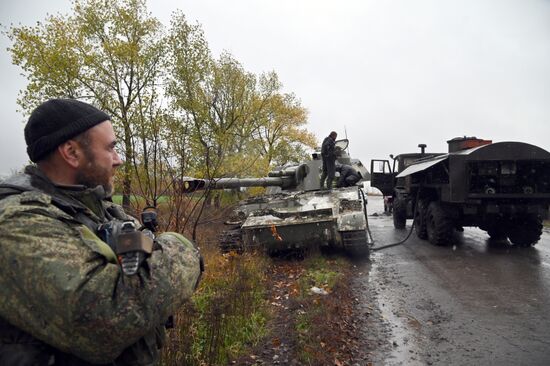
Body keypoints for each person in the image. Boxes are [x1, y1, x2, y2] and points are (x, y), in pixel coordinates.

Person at [0, 99, 203, 365]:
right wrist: (182, 246)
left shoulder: (98, 209)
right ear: (72, 153)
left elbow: (149, 264)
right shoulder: (17, 222)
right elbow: (109, 315)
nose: (118, 160)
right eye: (110, 148)